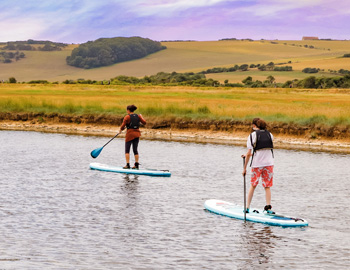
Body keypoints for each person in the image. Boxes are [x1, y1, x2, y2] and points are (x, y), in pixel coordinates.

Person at [242, 118, 275, 214]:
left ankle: (247, 207)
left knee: (253, 185)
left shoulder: (252, 136)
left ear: (254, 126)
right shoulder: (270, 135)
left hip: (257, 165)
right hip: (269, 164)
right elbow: (264, 150)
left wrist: (244, 168)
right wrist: (250, 155)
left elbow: (249, 153)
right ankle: (268, 208)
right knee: (267, 186)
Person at [119, 105, 146, 169]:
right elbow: (144, 122)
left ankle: (127, 165)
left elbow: (122, 126)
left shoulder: (127, 117)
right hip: (137, 134)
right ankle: (136, 165)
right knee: (135, 150)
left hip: (130, 135)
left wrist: (120, 130)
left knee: (127, 150)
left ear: (128, 110)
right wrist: (141, 117)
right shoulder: (138, 116)